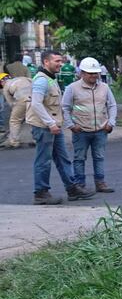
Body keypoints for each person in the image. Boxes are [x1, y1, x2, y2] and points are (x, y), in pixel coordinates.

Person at [28, 52, 94, 205]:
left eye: (61, 61)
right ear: (46, 62)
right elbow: (36, 104)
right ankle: (40, 193)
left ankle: (72, 188)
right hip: (44, 127)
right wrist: (50, 123)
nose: (60, 64)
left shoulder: (51, 78)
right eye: (56, 61)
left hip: (53, 126)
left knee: (63, 158)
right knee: (43, 161)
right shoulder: (41, 81)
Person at [61, 57, 117, 194]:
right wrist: (71, 125)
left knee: (99, 157)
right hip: (81, 131)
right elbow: (65, 108)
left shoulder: (104, 87)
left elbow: (112, 105)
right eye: (90, 73)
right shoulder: (72, 88)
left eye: (95, 73)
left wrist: (111, 122)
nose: (93, 76)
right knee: (79, 158)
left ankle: (100, 183)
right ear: (82, 73)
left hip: (101, 130)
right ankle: (80, 184)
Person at [2, 67, 32, 148]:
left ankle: (14, 142)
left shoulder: (6, 87)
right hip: (34, 98)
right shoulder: (22, 78)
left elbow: (11, 103)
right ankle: (35, 139)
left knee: (14, 120)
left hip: (21, 99)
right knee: (33, 120)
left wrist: (18, 113)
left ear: (2, 81)